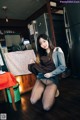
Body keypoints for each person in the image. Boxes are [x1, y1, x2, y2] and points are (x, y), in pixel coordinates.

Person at [28, 34, 67, 111]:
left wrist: (51, 74)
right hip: (42, 78)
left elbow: (63, 67)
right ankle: (45, 89)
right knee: (33, 101)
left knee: (46, 107)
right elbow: (39, 68)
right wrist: (33, 62)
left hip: (52, 79)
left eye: (44, 41)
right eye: (41, 43)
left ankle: (53, 90)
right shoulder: (41, 53)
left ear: (48, 40)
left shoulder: (57, 50)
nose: (43, 44)